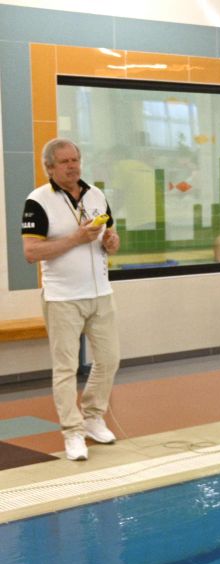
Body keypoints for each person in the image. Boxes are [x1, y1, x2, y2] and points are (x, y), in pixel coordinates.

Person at [20, 137, 121, 461]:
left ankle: (92, 417)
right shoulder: (38, 201)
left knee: (109, 359)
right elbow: (31, 252)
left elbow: (110, 239)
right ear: (49, 167)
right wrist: (76, 238)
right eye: (64, 162)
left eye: (75, 159)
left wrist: (111, 241)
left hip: (100, 294)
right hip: (63, 297)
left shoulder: (96, 195)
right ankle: (72, 432)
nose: (72, 166)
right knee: (66, 368)